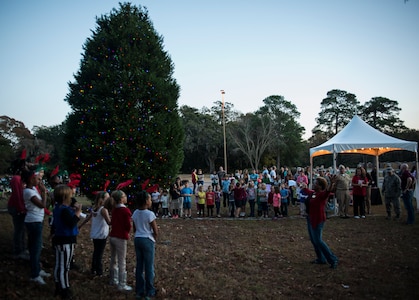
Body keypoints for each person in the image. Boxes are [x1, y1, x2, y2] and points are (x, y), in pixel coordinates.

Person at [52, 184, 82, 298]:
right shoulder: (64, 210)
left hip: (61, 239)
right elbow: (71, 223)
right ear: (65, 197)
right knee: (64, 266)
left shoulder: (59, 208)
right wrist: (78, 213)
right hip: (65, 240)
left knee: (59, 264)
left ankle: (58, 285)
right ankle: (64, 289)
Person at [22, 168, 50, 285]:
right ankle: (35, 275)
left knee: (37, 247)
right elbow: (42, 205)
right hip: (33, 222)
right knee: (35, 249)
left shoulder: (33, 188)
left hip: (37, 220)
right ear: (30, 179)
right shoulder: (28, 192)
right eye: (36, 178)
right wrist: (43, 193)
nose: (38, 181)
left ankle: (38, 269)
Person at [303, 176, 338, 269]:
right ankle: (321, 258)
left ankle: (333, 259)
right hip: (310, 218)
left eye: (316, 183)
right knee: (314, 241)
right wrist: (304, 187)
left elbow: (328, 192)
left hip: (318, 219)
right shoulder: (314, 193)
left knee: (318, 240)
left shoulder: (322, 195)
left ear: (320, 186)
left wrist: (331, 183)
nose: (314, 184)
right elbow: (308, 192)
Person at [132, 191, 158, 299]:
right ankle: (150, 291)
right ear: (146, 201)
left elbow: (134, 228)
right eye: (150, 199)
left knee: (139, 265)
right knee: (149, 266)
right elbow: (155, 230)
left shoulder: (135, 213)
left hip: (137, 238)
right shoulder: (150, 214)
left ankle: (139, 290)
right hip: (147, 239)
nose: (151, 201)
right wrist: (153, 238)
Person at [78, 191, 111, 276]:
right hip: (102, 234)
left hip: (95, 233)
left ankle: (93, 269)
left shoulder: (95, 208)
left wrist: (80, 225)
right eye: (107, 198)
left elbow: (88, 218)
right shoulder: (103, 210)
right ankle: (99, 271)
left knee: (96, 252)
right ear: (103, 199)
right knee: (99, 253)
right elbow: (109, 222)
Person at [109, 190, 133, 291]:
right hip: (121, 237)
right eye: (124, 196)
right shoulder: (125, 211)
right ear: (121, 199)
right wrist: (127, 232)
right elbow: (128, 225)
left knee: (113, 258)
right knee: (121, 261)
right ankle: (122, 283)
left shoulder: (114, 210)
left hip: (113, 235)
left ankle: (113, 279)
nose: (126, 197)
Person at [7, 159, 28, 260]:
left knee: (22, 229)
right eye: (25, 165)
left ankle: (22, 249)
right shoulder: (16, 178)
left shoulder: (21, 178)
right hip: (16, 207)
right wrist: (21, 208)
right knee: (19, 230)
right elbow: (17, 195)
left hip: (20, 207)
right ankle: (18, 251)